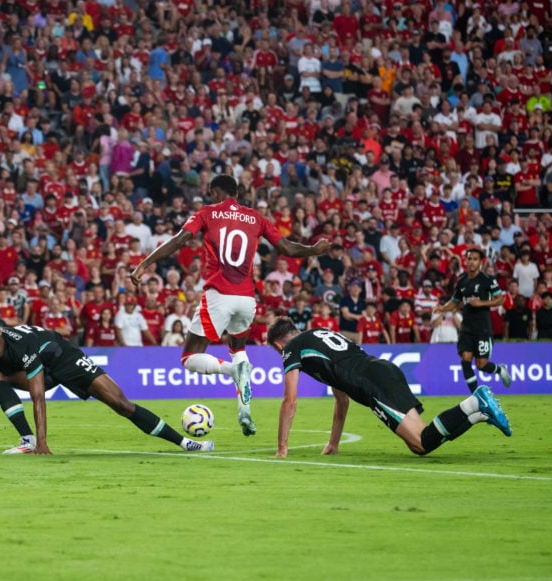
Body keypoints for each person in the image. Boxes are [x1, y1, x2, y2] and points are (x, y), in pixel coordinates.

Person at [128, 174, 328, 437]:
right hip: (247, 299)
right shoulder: (256, 217)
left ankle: (233, 371)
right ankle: (245, 411)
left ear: (215, 192)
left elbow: (178, 241)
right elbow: (288, 249)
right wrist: (314, 249)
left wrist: (144, 263)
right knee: (238, 349)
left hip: (219, 294)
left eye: (211, 193)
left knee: (189, 358)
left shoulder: (207, 213)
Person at [0, 319, 214, 455]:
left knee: (122, 405)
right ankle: (27, 439)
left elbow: (37, 396)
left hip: (64, 358)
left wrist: (48, 442)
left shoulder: (21, 345)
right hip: (39, 369)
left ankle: (186, 443)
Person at [266, 318, 512, 458]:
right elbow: (342, 399)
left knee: (422, 443)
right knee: (419, 442)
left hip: (373, 384)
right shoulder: (319, 333)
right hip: (384, 369)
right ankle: (479, 414)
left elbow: (290, 401)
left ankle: (474, 401)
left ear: (278, 345)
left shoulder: (291, 348)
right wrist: (333, 443)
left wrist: (282, 448)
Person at [432, 248, 512, 393]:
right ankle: (477, 395)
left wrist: (481, 303)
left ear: (480, 262)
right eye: (469, 259)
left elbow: (500, 299)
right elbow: (455, 301)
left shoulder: (487, 279)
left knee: (481, 365)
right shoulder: (461, 281)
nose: (471, 262)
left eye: (475, 259)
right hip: (466, 327)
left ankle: (500, 370)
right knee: (465, 358)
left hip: (482, 328)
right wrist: (442, 308)